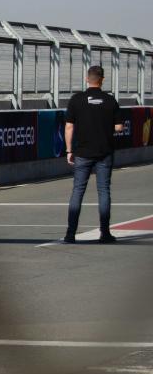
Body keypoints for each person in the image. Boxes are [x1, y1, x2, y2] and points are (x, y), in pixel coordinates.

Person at [63, 65, 124, 244]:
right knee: (104, 190)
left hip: (82, 152)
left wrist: (69, 150)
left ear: (86, 79)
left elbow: (69, 126)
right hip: (104, 152)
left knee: (77, 191)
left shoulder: (76, 100)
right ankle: (104, 233)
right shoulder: (111, 101)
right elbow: (119, 127)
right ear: (102, 80)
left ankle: (70, 234)